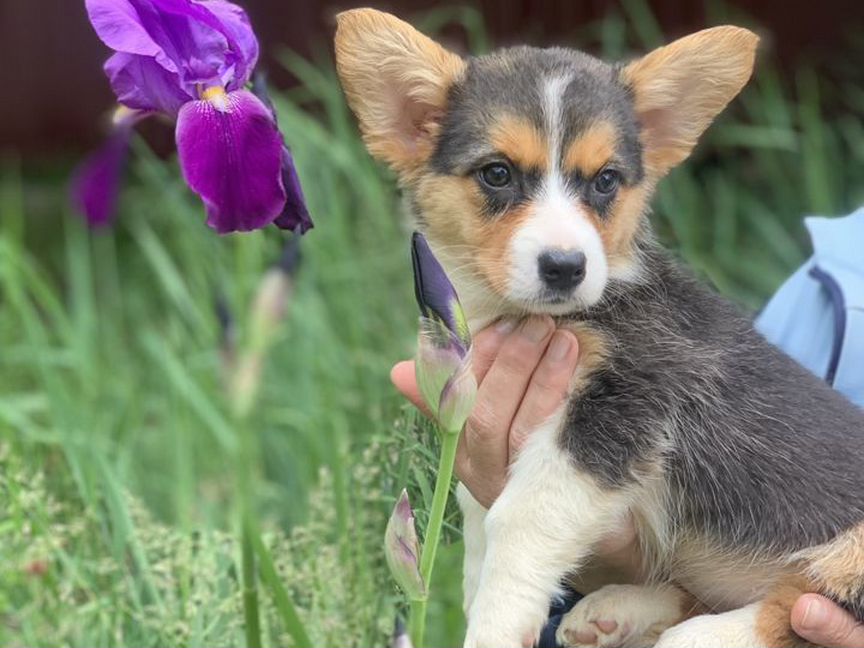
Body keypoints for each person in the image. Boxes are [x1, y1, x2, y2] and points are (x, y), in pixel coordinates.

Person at [391, 316, 864, 648]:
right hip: (726, 554)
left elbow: (614, 438)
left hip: (841, 549)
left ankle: (760, 628)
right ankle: (682, 605)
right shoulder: (820, 291)